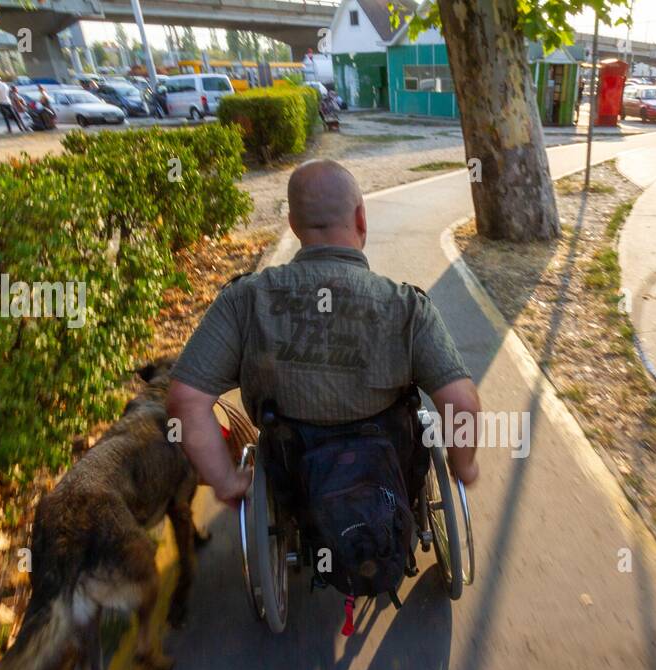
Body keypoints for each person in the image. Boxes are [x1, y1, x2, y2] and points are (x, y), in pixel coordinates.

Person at [166, 159, 482, 510]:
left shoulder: (243, 301)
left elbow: (185, 401)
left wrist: (226, 482)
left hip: (293, 474)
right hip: (388, 467)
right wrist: (463, 466)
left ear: (293, 225)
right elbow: (461, 403)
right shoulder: (407, 307)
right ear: (361, 218)